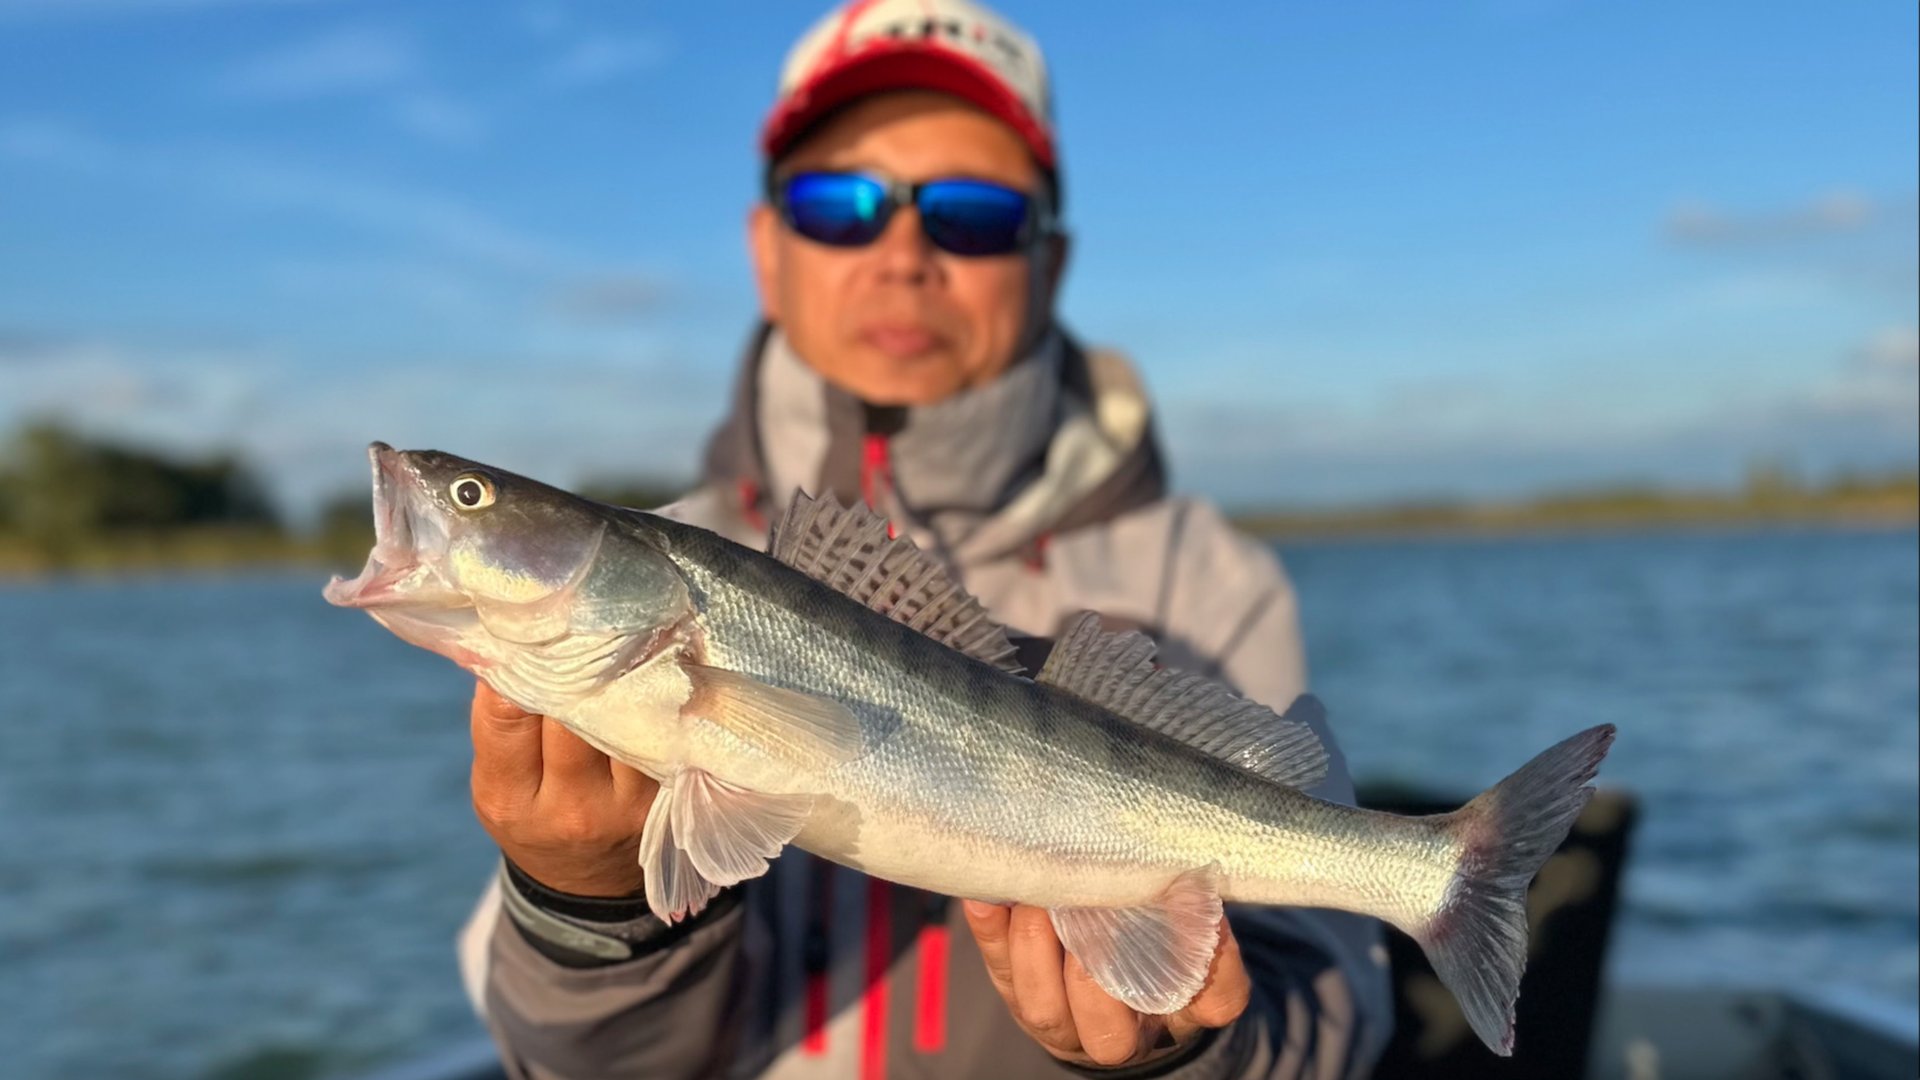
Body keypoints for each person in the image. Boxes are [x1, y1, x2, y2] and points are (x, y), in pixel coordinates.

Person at [456, 1, 1392, 1075]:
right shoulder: (662, 563)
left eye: (973, 214)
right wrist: (586, 904)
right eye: (839, 204)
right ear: (768, 249)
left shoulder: (1209, 582)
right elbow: (562, 1064)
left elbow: (1329, 1029)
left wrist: (1188, 1055)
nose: (902, 253)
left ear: (1050, 262)